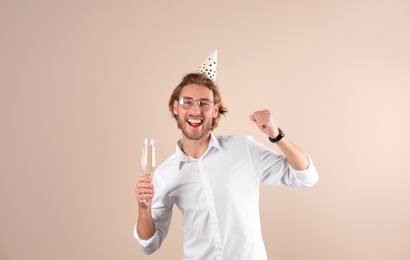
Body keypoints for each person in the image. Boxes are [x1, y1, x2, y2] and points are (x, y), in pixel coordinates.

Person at [134, 52, 319, 260]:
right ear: (175, 107)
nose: (196, 110)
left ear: (215, 110)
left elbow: (306, 176)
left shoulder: (243, 149)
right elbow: (148, 245)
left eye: (204, 103)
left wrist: (276, 135)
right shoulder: (164, 174)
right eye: (187, 102)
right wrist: (144, 208)